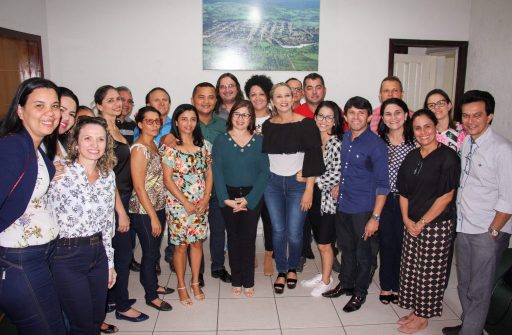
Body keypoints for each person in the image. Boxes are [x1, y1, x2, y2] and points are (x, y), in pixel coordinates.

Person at [442, 91, 512, 335]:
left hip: (487, 230)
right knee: (465, 284)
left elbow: (509, 197)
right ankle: (470, 324)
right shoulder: (468, 141)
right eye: (466, 116)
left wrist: (493, 231)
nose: (471, 121)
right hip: (464, 225)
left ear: (490, 116)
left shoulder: (502, 149)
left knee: (480, 288)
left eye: (477, 115)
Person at [0, 77, 66, 335]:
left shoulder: (37, 147)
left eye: (55, 106)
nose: (50, 113)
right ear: (20, 110)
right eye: (39, 106)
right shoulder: (12, 146)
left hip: (39, 256)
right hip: (19, 260)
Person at [49, 116, 117, 334]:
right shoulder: (59, 172)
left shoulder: (108, 175)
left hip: (98, 253)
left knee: (96, 318)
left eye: (100, 139)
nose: (94, 145)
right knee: (82, 323)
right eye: (87, 138)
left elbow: (108, 222)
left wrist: (110, 262)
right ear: (76, 142)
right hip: (66, 254)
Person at [322, 97, 389, 314]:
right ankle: (346, 283)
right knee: (346, 250)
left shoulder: (376, 145)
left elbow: (382, 185)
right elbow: (349, 170)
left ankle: (360, 292)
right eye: (352, 113)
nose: (356, 117)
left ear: (369, 117)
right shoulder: (346, 138)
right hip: (343, 206)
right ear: (346, 116)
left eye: (361, 113)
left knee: (364, 254)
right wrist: (339, 187)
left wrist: (375, 218)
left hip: (364, 210)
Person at [396, 109, 461, 333]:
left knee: (429, 272)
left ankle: (423, 317)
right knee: (412, 269)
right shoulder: (412, 156)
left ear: (435, 128)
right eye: (417, 128)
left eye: (427, 126)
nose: (423, 132)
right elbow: (403, 191)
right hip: (411, 222)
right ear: (412, 131)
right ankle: (416, 309)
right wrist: (406, 219)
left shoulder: (448, 157)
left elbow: (446, 197)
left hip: (436, 225)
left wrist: (421, 222)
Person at [262, 82, 325, 294]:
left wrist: (309, 188)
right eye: (278, 96)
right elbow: (264, 157)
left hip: (298, 185)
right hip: (272, 184)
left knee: (296, 232)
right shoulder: (268, 126)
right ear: (272, 101)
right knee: (278, 230)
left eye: (287, 95)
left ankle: (292, 268)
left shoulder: (307, 124)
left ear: (294, 97)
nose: (283, 99)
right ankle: (282, 269)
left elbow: (314, 157)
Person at [95, 85, 150, 323]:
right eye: (111, 100)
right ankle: (122, 306)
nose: (118, 104)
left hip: (124, 196)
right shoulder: (100, 131)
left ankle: (114, 299)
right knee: (122, 253)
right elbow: (106, 174)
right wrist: (121, 211)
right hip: (114, 200)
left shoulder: (117, 128)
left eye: (119, 99)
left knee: (117, 253)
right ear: (99, 105)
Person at [213, 100, 269, 297]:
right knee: (234, 238)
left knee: (248, 237)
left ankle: (249, 280)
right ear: (231, 116)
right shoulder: (221, 140)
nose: (240, 118)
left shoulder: (260, 140)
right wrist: (225, 199)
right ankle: (236, 278)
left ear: (251, 118)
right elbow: (217, 171)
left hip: (252, 196)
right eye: (237, 114)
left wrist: (248, 200)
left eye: (245, 115)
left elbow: (264, 173)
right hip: (228, 195)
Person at [161, 104, 213, 306]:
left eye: (193, 119)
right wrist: (185, 202)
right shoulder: (170, 148)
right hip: (178, 205)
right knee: (181, 246)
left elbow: (209, 174)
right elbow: (167, 178)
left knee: (197, 242)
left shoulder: (205, 146)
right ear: (176, 121)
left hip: (200, 203)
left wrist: (206, 198)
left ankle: (195, 282)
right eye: (184, 119)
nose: (189, 123)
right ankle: (181, 285)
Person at [129, 106, 173, 312]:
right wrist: (153, 217)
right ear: (140, 124)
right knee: (150, 253)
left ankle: (153, 286)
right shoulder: (139, 149)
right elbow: (138, 186)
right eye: (149, 121)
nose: (155, 125)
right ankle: (151, 296)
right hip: (144, 211)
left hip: (158, 206)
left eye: (157, 121)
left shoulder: (153, 145)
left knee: (153, 252)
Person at [300, 101, 343, 297]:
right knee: (319, 241)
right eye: (320, 116)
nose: (323, 121)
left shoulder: (337, 143)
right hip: (314, 198)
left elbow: (337, 175)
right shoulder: (313, 141)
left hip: (328, 202)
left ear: (335, 121)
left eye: (329, 117)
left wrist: (310, 177)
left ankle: (326, 280)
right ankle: (324, 274)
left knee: (325, 243)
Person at [376, 98, 415, 304]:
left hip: (408, 200)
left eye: (398, 112)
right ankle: (386, 285)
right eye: (388, 114)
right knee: (386, 242)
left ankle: (401, 285)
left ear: (406, 114)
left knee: (404, 244)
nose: (393, 118)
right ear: (382, 117)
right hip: (383, 198)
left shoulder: (415, 141)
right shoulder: (378, 141)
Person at [244, 74, 274, 276]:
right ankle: (251, 252)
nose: (257, 98)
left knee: (270, 218)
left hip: (273, 175)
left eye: (261, 94)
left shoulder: (277, 117)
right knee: (250, 219)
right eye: (252, 94)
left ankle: (269, 255)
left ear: (268, 95)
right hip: (250, 175)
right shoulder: (244, 117)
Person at [42, 86, 79, 160]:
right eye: (62, 110)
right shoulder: (36, 143)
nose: (66, 118)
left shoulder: (66, 144)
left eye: (71, 114)